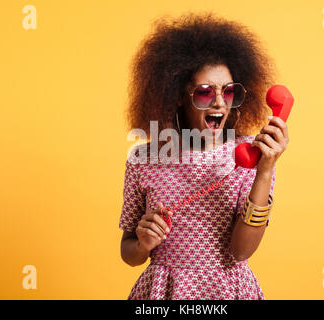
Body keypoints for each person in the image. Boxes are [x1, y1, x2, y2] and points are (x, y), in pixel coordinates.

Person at [119, 12, 289, 300]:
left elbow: (241, 251)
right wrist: (143, 243)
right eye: (205, 92)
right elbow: (129, 253)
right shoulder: (143, 159)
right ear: (177, 95)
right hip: (164, 293)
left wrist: (265, 169)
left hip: (228, 292)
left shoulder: (252, 153)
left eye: (229, 91)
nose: (220, 103)